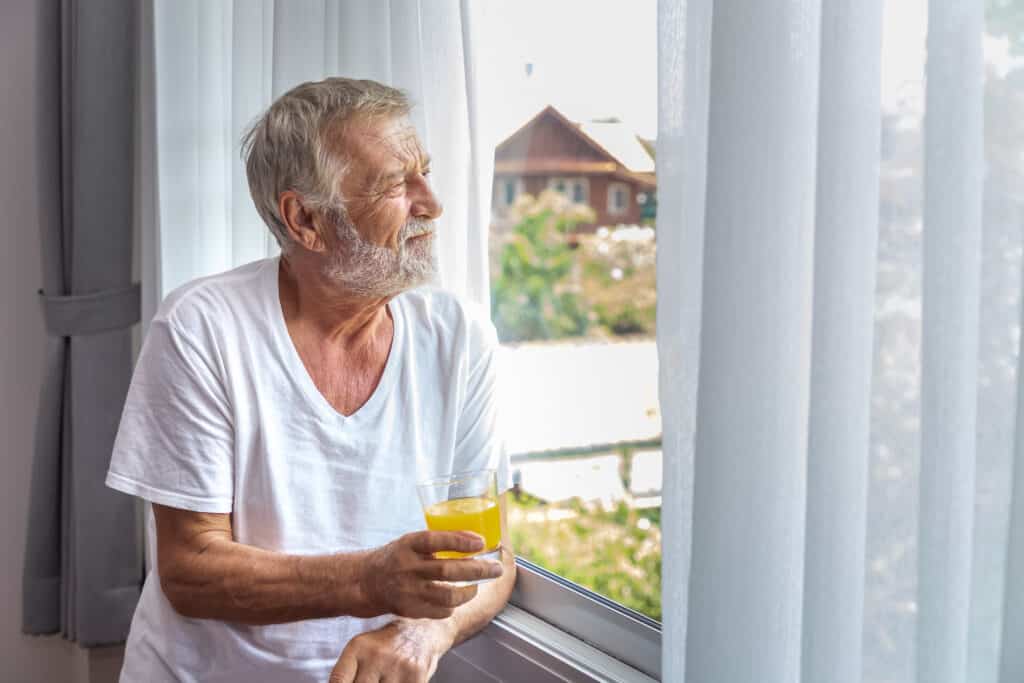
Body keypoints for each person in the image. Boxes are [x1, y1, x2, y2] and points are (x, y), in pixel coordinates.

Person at [105, 77, 515, 683]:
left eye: (424, 172)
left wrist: (425, 630)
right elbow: (190, 567)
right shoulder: (202, 327)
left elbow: (493, 557)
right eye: (395, 184)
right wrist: (368, 580)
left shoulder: (459, 336)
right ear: (306, 220)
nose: (430, 201)